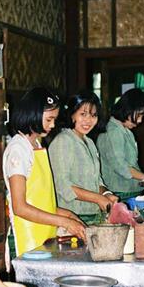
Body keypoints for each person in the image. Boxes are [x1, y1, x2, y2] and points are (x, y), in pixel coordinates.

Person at [3, 87, 86, 259]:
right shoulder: (19, 149)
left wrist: (69, 215)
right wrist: (64, 222)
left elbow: (40, 201)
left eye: (54, 119)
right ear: (32, 114)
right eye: (49, 119)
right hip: (24, 236)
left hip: (42, 235)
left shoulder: (37, 145)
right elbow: (20, 207)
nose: (53, 125)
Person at [48, 91, 118, 225]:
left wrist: (106, 194)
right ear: (72, 114)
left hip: (92, 215)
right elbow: (62, 185)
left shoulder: (89, 142)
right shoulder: (63, 141)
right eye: (83, 114)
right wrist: (97, 198)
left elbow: (96, 180)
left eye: (93, 115)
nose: (88, 120)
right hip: (71, 217)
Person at [96, 88, 144, 201]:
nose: (140, 120)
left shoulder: (125, 131)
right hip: (119, 194)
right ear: (128, 109)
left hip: (129, 191)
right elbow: (121, 166)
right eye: (139, 115)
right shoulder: (113, 131)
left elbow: (132, 165)